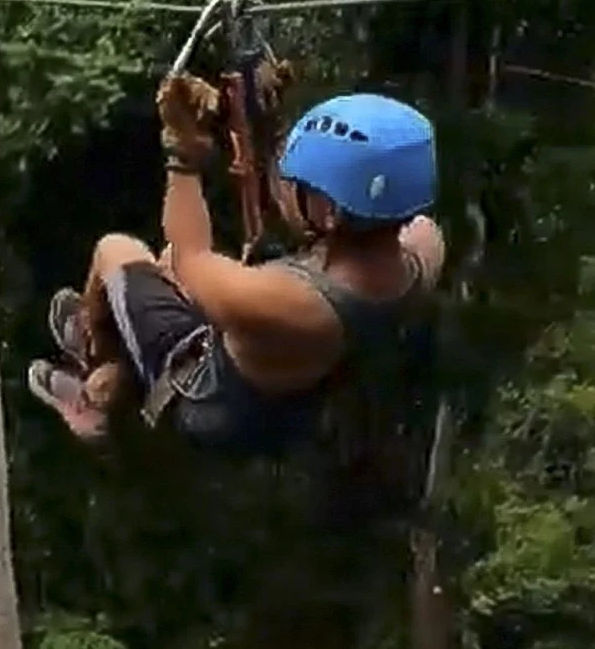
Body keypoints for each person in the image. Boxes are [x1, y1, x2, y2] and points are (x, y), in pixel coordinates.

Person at [28, 76, 447, 453]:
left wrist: (183, 152)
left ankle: (95, 378)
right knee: (169, 267)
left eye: (302, 186)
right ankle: (119, 366)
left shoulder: (289, 303)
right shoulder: (421, 251)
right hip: (285, 396)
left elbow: (194, 257)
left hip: (200, 397)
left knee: (117, 250)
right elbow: (309, 217)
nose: (288, 189)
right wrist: (262, 117)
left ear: (332, 213)